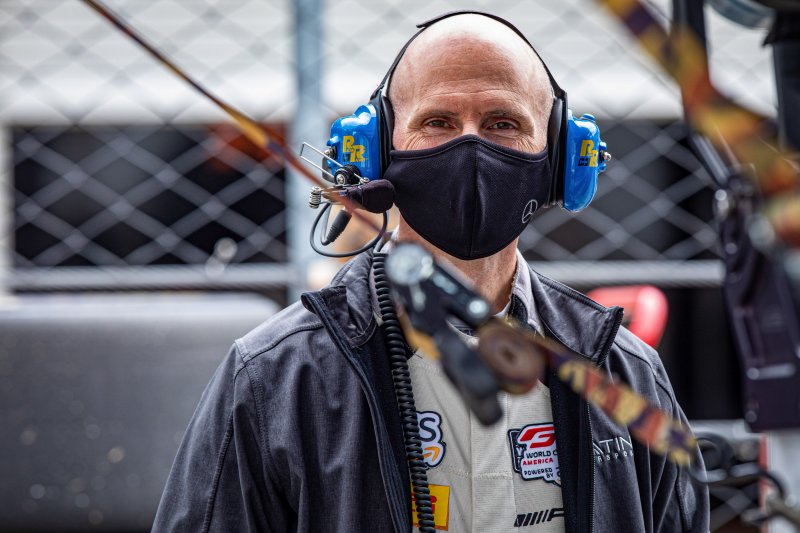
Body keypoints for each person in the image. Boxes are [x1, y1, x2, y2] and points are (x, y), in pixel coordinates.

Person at [153, 11, 709, 533]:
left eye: (503, 123)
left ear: (561, 159)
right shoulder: (274, 380)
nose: (470, 147)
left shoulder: (628, 374)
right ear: (375, 152)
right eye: (437, 122)